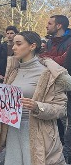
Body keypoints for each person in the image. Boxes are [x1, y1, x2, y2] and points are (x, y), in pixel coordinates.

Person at [0, 31, 71, 165]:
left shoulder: (49, 73)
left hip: (38, 133)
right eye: (13, 44)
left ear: (32, 46)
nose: (13, 47)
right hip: (13, 130)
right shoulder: (13, 70)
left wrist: (37, 107)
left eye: (18, 44)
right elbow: (8, 102)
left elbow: (61, 109)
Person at [40, 15, 71, 147]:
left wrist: (47, 58)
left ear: (59, 26)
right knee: (54, 118)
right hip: (51, 85)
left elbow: (64, 61)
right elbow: (42, 58)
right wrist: (49, 58)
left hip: (67, 85)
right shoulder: (50, 42)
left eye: (50, 23)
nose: (47, 26)